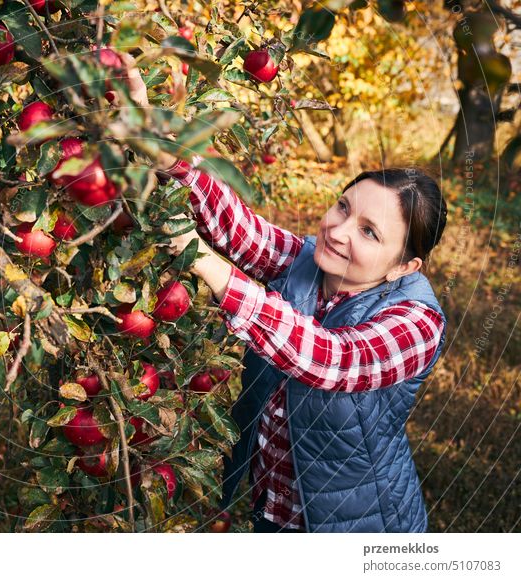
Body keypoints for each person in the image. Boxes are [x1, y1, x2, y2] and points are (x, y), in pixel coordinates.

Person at [118, 57, 449, 532]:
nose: (338, 231)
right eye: (343, 207)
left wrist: (207, 264)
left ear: (404, 266)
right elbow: (239, 229)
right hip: (273, 511)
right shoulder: (310, 262)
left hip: (351, 528)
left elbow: (330, 359)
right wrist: (155, 142)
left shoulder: (417, 325)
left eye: (370, 232)